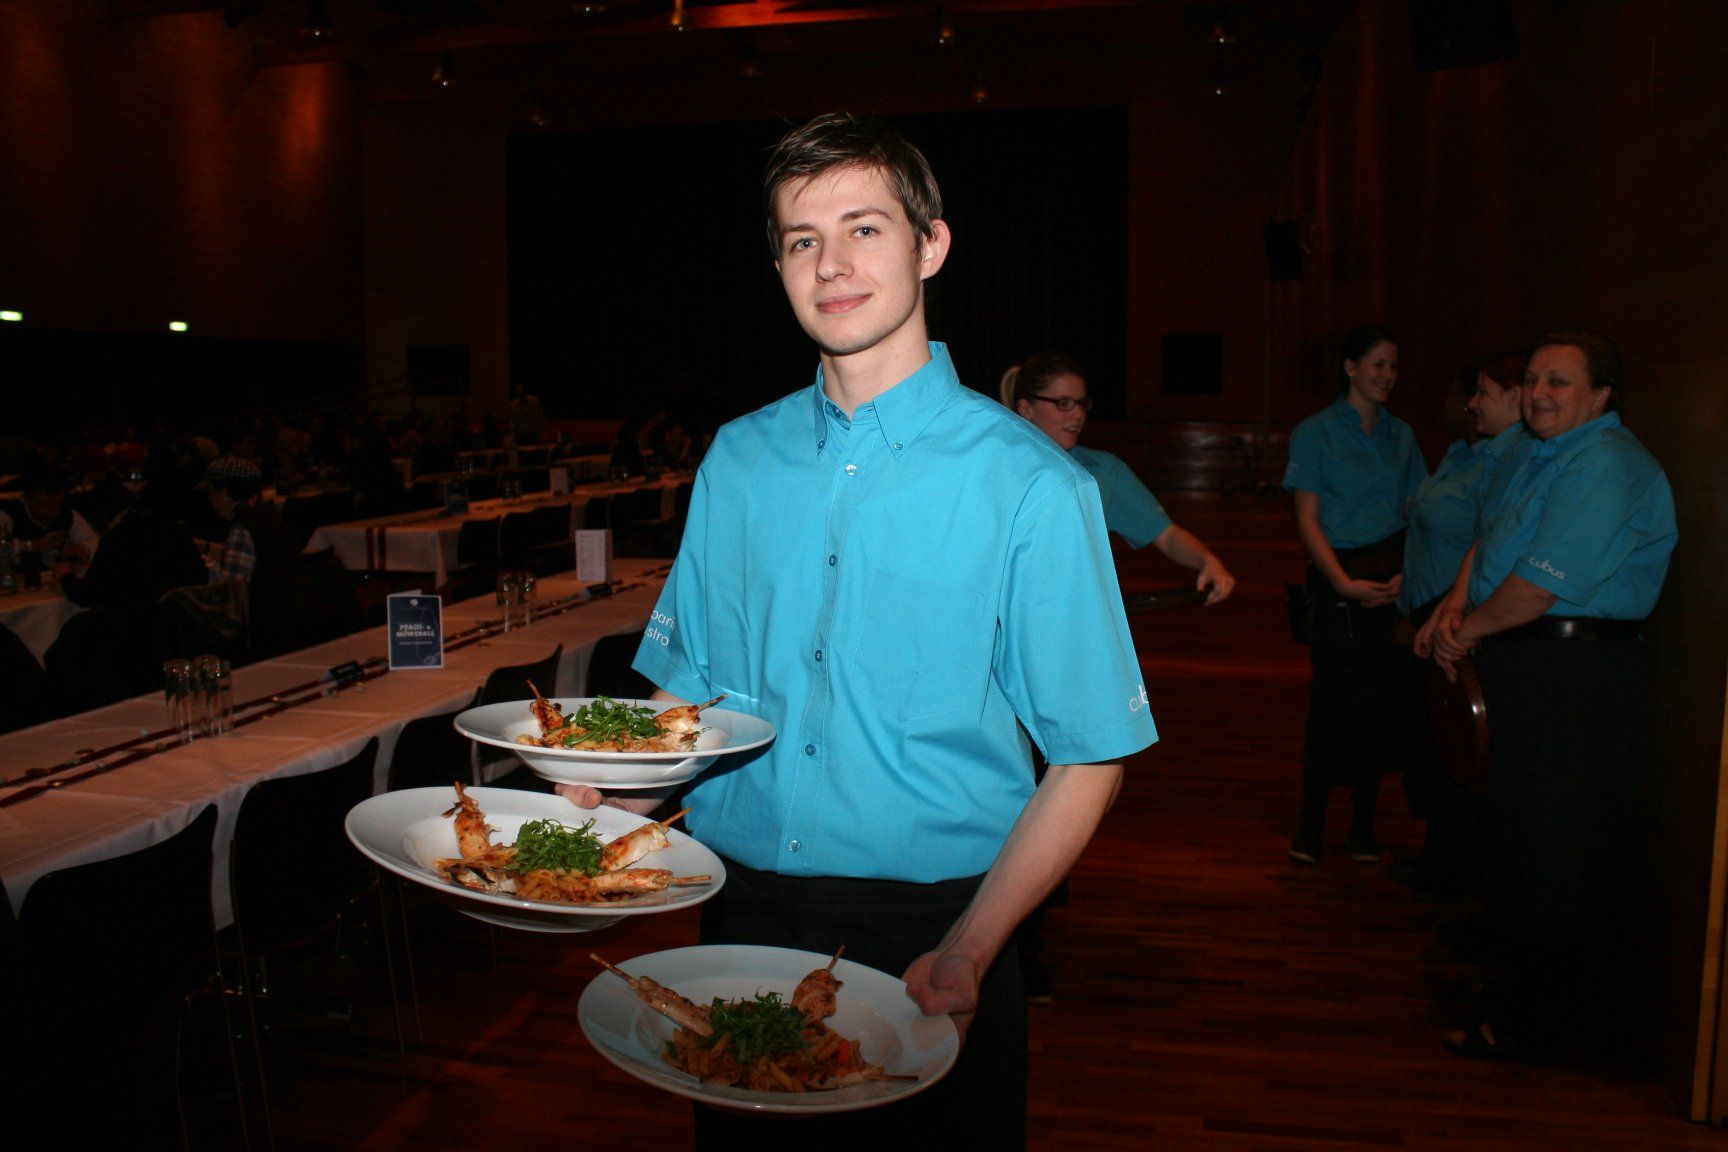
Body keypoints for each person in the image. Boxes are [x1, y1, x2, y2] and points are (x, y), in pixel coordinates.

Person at [559, 113, 1157, 1147]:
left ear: (931, 245)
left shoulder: (1031, 485)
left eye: (864, 229)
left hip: (938, 931)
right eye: (803, 239)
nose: (831, 264)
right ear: (779, 266)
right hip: (741, 919)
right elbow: (693, 692)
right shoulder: (738, 458)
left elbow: (1090, 756)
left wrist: (973, 947)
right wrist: (605, 804)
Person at [1422, 332, 1676, 1063]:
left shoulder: (1606, 465)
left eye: (1558, 382)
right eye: (1532, 379)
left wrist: (1464, 632)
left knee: (1555, 847)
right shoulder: (1539, 454)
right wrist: (1455, 606)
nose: (1537, 394)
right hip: (1528, 663)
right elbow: (1488, 543)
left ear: (1602, 395)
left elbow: (1536, 588)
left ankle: (1534, 1026)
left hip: (1576, 676)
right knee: (1518, 834)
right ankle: (1513, 987)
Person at [1282, 325, 1427, 866]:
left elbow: (1416, 511)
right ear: (1350, 367)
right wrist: (1341, 582)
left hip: (1389, 580)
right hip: (1337, 581)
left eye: (1394, 366)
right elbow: (1307, 520)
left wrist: (1407, 574)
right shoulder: (1315, 432)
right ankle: (1311, 826)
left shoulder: (1402, 435)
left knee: (1378, 707)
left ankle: (1364, 828)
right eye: (1378, 364)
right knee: (1332, 707)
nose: (1388, 375)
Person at [1394, 351, 1525, 899]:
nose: (1470, 404)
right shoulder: (1468, 454)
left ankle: (1454, 871)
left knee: (1457, 753)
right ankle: (1441, 859)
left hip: (1463, 621)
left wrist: (1451, 614)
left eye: (1481, 393)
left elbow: (1492, 547)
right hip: (1437, 611)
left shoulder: (1512, 460)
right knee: (1433, 747)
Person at [1001, 351, 1236, 604]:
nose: (1078, 414)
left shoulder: (1105, 471)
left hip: (1078, 614)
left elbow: (1166, 535)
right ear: (1026, 408)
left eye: (1082, 403)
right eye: (1064, 403)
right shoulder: (996, 469)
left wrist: (1207, 560)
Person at [203, 456, 301, 586]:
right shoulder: (267, 515)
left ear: (225, 492)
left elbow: (232, 589)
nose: (210, 498)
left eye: (211, 492)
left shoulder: (243, 527)